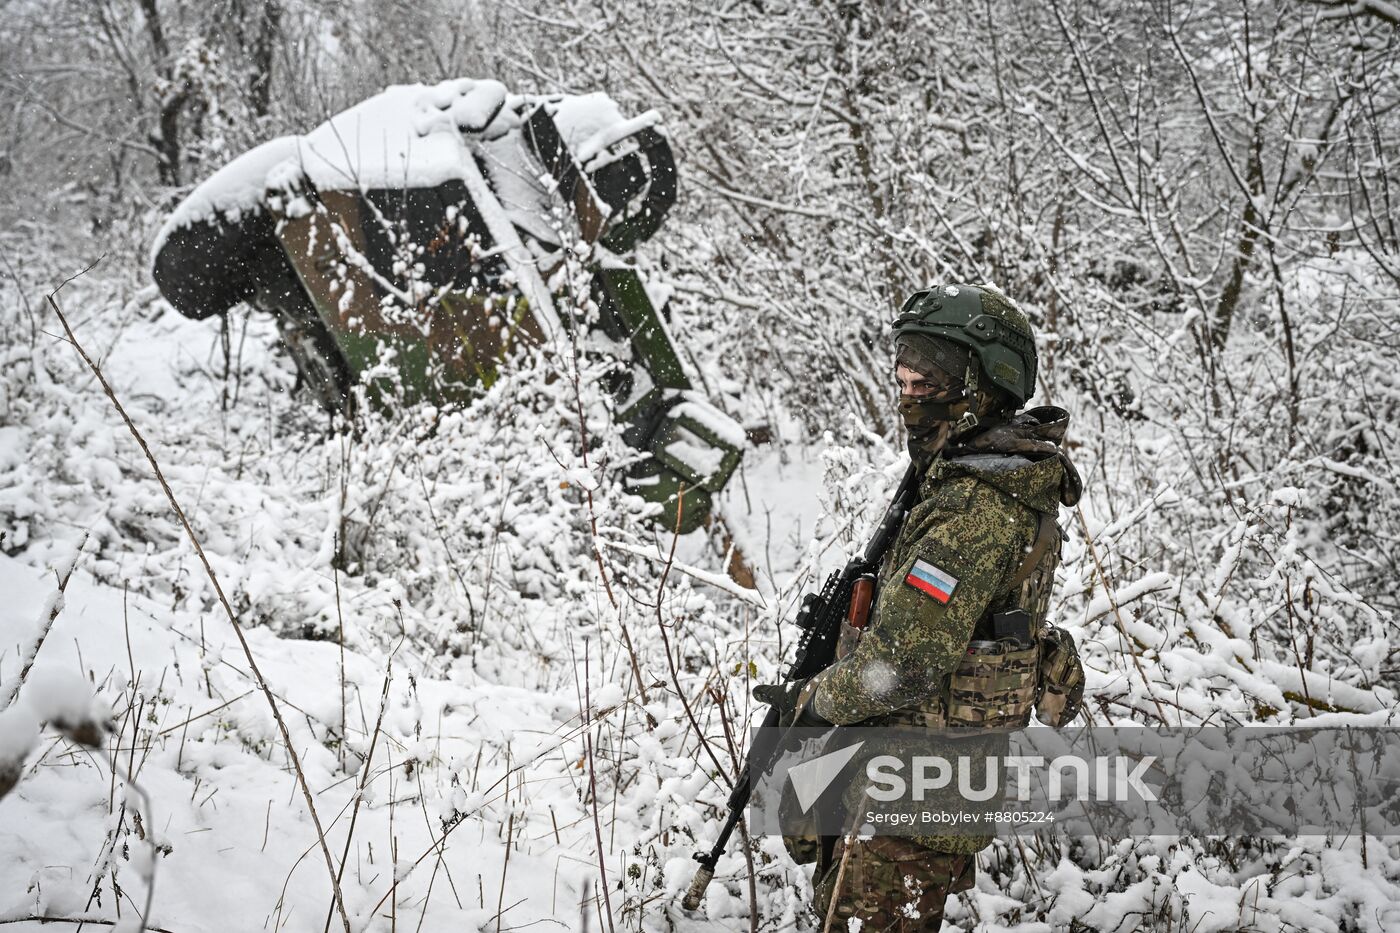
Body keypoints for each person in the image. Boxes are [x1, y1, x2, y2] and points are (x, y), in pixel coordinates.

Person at [755, 283, 1085, 930]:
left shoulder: (974, 509)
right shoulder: (967, 474)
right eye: (904, 371)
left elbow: (902, 664)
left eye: (928, 374)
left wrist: (813, 701)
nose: (909, 388)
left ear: (986, 380)